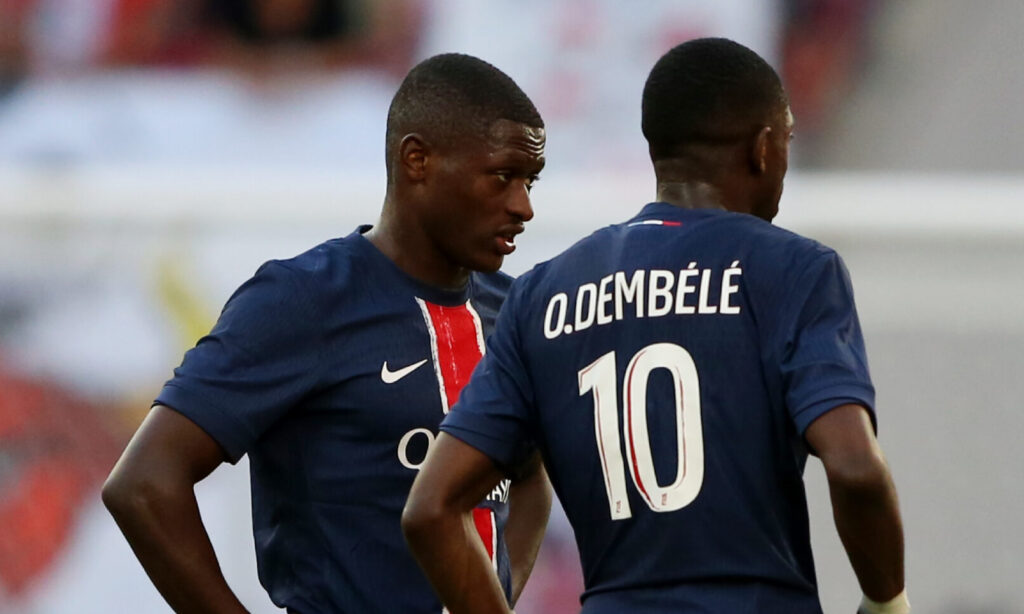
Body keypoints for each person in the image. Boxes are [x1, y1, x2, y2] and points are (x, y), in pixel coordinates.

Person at [403, 38, 908, 614]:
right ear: (764, 148)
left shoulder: (542, 295)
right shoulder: (794, 270)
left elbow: (431, 508)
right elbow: (855, 468)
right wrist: (887, 601)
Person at [102, 52, 551, 614]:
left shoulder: (515, 312)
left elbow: (530, 476)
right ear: (417, 159)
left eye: (530, 180)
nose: (524, 207)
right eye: (503, 177)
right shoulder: (304, 299)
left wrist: (492, 602)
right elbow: (143, 484)